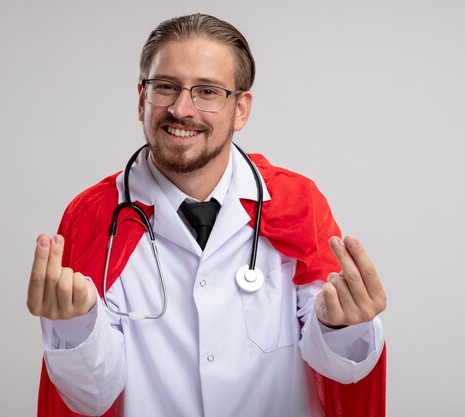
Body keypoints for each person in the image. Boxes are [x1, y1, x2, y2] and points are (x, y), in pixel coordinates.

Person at [27, 13, 387, 417]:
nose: (182, 109)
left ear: (240, 109)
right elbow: (92, 396)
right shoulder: (93, 216)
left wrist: (340, 327)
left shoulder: (295, 201)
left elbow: (338, 368)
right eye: (165, 87)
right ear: (141, 98)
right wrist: (76, 329)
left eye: (208, 92)